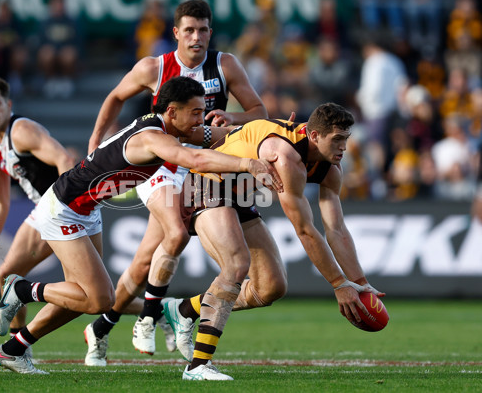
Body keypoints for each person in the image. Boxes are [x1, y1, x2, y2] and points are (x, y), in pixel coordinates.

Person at [0, 76, 281, 374]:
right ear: (172, 112)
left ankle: (13, 350)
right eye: (195, 112)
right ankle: (23, 290)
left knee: (78, 297)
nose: (200, 119)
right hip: (65, 208)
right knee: (100, 298)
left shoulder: (168, 127)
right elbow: (194, 157)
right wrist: (247, 164)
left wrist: (272, 133)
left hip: (87, 210)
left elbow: (220, 135)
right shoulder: (152, 138)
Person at [84, 0, 267, 366]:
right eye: (189, 30)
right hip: (162, 168)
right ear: (176, 33)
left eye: (202, 30)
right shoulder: (154, 67)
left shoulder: (225, 63)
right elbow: (116, 97)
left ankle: (102, 328)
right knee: (174, 238)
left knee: (141, 264)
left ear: (210, 33)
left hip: (204, 170)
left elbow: (258, 112)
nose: (196, 37)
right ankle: (152, 317)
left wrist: (228, 119)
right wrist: (94, 144)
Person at [161, 103, 384, 380]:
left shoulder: (331, 169)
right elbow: (304, 230)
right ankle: (197, 366)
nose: (343, 148)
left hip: (239, 195)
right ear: (314, 136)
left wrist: (359, 283)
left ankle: (183, 309)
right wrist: (339, 285)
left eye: (345, 140)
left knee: (270, 287)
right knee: (236, 265)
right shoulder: (286, 156)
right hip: (206, 183)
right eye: (336, 140)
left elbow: (336, 230)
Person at [0, 76, 77, 360]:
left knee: (88, 296)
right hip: (47, 210)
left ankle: (145, 313)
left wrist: (63, 208)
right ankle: (17, 350)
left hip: (67, 207)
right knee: (6, 274)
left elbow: (64, 160)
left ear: (8, 105)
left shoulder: (21, 131)